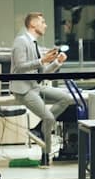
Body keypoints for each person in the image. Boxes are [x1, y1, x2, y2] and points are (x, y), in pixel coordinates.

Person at [10, 11, 75, 164]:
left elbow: (41, 73)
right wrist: (42, 60)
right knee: (49, 117)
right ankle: (45, 156)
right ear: (33, 24)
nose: (45, 25)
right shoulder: (21, 41)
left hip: (34, 86)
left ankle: (38, 128)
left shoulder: (34, 43)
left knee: (66, 98)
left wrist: (56, 62)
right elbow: (19, 67)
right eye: (42, 22)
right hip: (23, 89)